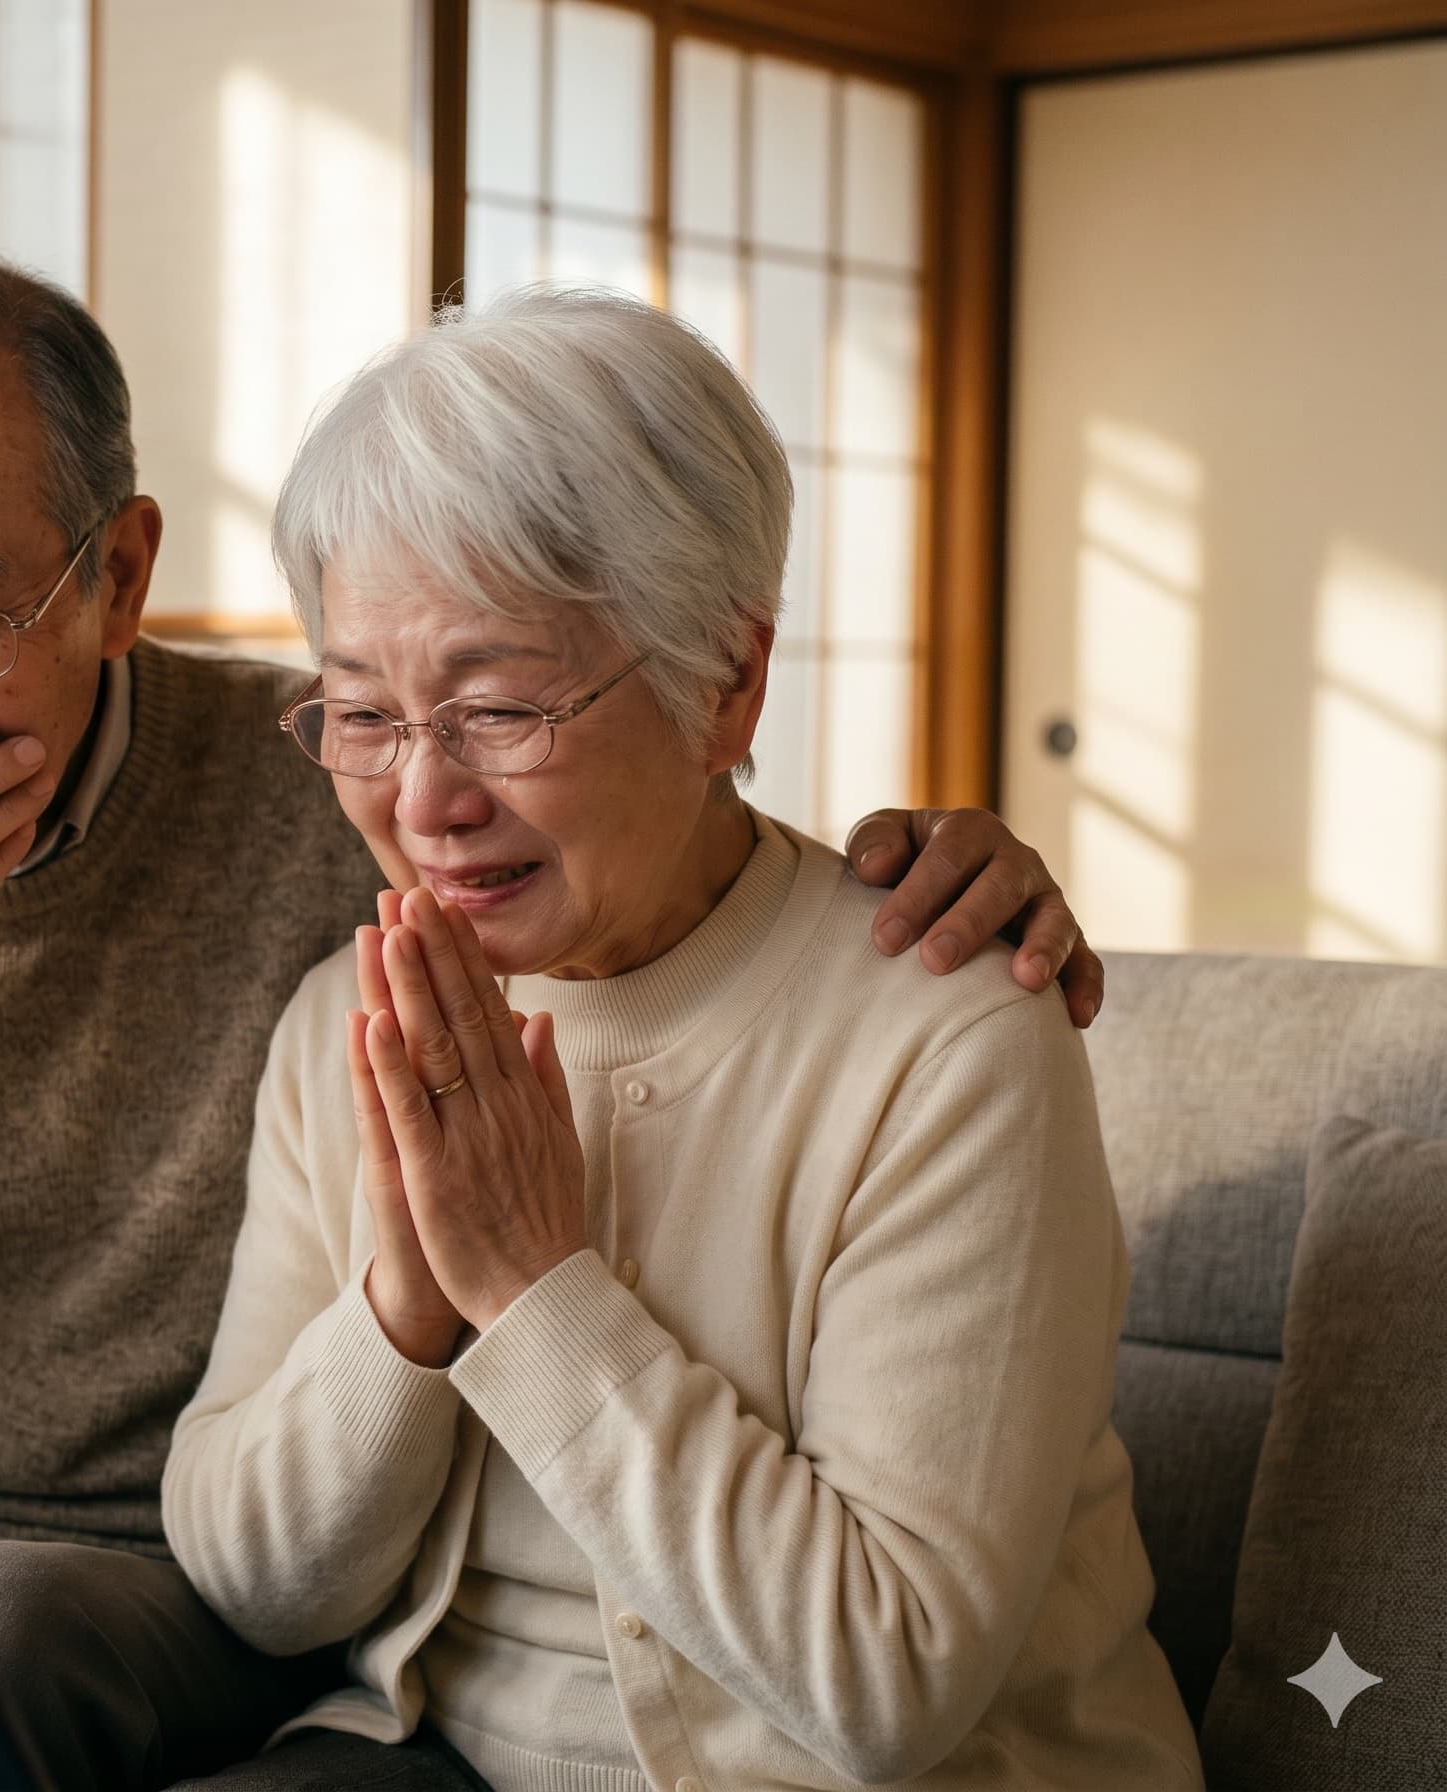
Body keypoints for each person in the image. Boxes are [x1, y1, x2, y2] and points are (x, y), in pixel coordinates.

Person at [0, 245, 1106, 1791]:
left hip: (135, 1576)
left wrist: (951, 868)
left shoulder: (319, 787)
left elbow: (655, 830)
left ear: (118, 575)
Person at [161, 288, 1201, 1790]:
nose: (424, 797)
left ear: (725, 680)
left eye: (499, 708)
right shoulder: (355, 1013)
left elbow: (883, 1685)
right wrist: (403, 1306)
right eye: (362, 712)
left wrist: (529, 1289)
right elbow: (255, 1585)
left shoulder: (948, 1038)